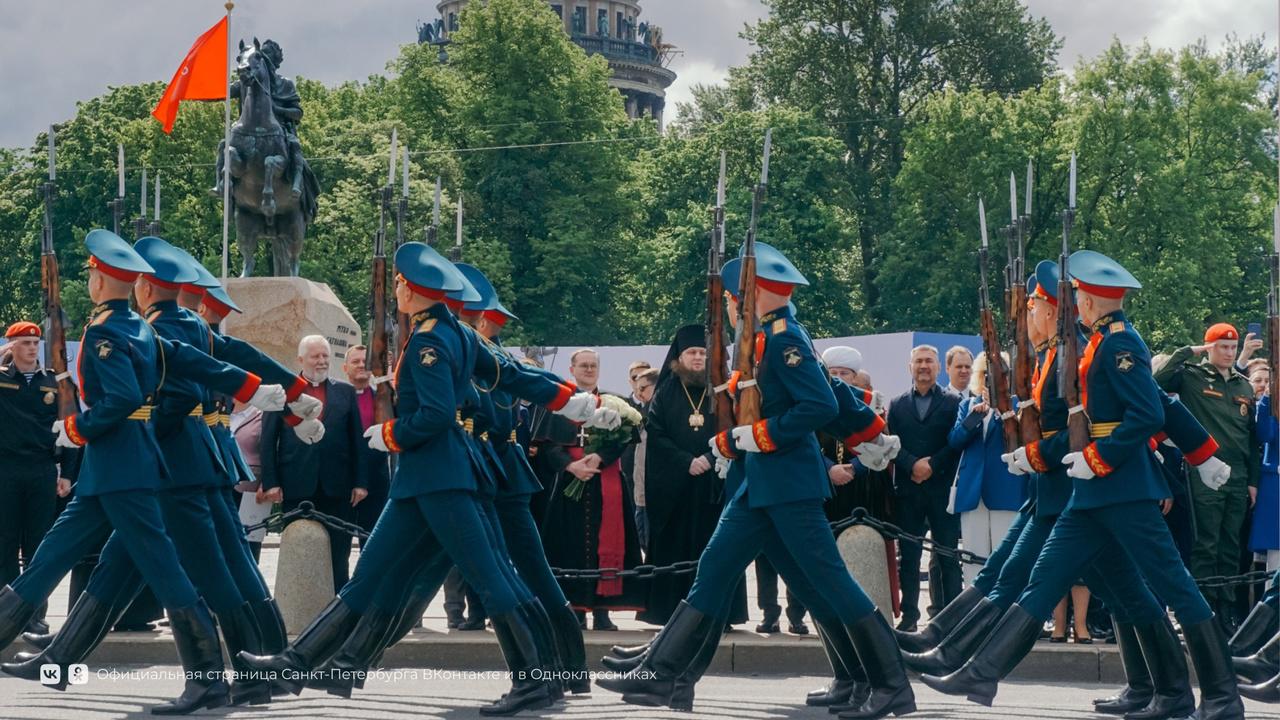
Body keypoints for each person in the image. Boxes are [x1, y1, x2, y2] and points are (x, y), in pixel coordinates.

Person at [238, 242, 610, 715]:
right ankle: (294, 667)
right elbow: (512, 374)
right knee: (370, 575)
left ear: (410, 291)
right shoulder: (456, 333)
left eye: (398, 282)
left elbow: (434, 416)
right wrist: (570, 400)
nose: (395, 289)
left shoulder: (431, 341)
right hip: (430, 476)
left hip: (438, 474)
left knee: (491, 577)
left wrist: (389, 434)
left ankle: (536, 681)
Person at [596, 242, 914, 719]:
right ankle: (663, 673)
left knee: (827, 580)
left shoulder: (785, 339)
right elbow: (825, 395)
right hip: (761, 484)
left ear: (758, 292)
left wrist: (756, 436)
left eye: (736, 292)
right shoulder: (768, 337)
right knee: (726, 571)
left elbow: (820, 406)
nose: (730, 300)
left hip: (785, 483)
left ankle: (890, 684)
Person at [923, 250, 1245, 720]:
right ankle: (983, 673)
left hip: (1125, 488)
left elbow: (1150, 411)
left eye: (1078, 295)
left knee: (1174, 586)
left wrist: (1102, 457)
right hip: (1091, 492)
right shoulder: (1097, 342)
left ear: (1091, 300)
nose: (1074, 302)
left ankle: (1220, 696)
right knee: (1043, 577)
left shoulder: (1120, 344)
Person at [0, 229, 293, 713]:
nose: (91, 278)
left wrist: (77, 428)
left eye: (93, 272)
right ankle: (57, 660)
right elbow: (195, 360)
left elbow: (123, 399)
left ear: (100, 282)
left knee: (168, 574)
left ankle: (206, 681)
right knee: (52, 557)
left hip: (125, 467)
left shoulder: (110, 332)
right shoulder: (140, 328)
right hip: (116, 469)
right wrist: (253, 387)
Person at [638, 325, 747, 629]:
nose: (698, 358)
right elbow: (656, 434)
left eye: (702, 352)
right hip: (676, 486)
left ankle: (718, 615)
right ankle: (671, 613)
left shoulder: (723, 389)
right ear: (679, 357)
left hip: (716, 483)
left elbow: (735, 428)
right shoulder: (665, 392)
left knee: (717, 545)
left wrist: (711, 458)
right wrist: (687, 461)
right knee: (676, 544)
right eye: (692, 353)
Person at [1155, 322, 1261, 632]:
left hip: (1238, 474)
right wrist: (1186, 353)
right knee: (1206, 542)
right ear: (1209, 348)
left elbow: (1251, 439)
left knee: (1230, 544)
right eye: (1222, 347)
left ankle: (1225, 609)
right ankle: (1202, 612)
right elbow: (1156, 382)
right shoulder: (1192, 376)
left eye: (1232, 347)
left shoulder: (1244, 386)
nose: (1229, 353)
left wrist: (1252, 480)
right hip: (1203, 469)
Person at [532, 348, 645, 630]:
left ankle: (603, 611)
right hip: (569, 485)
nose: (589, 369)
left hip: (605, 481)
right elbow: (547, 447)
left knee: (604, 543)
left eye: (593, 365)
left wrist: (600, 457)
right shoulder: (559, 403)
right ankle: (577, 609)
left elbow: (623, 439)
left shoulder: (613, 402)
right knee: (568, 545)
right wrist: (572, 466)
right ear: (572, 370)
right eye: (583, 365)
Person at [260, 335, 369, 590]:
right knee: (299, 550)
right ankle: (299, 603)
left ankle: (336, 609)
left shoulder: (345, 392)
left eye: (325, 356)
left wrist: (360, 482)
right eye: (315, 356)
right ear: (300, 359)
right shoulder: (281, 392)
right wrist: (271, 482)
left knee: (339, 553)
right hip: (296, 483)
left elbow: (357, 441)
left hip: (337, 486)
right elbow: (268, 440)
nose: (321, 362)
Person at [0, 322, 75, 635]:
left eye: (35, 342)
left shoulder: (54, 382)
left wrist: (68, 473)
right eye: (26, 342)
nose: (32, 348)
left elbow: (71, 426)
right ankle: (5, 612)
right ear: (12, 345)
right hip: (5, 469)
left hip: (42, 469)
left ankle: (33, 614)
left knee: (38, 545)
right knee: (4, 544)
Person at [886, 345, 963, 631]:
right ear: (910, 367)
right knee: (909, 557)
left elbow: (956, 444)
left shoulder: (953, 403)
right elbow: (891, 443)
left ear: (938, 367)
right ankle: (909, 617)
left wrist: (932, 465)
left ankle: (951, 618)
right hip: (909, 491)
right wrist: (911, 465)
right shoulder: (897, 404)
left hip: (942, 490)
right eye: (918, 361)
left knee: (947, 556)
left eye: (929, 361)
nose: (923, 366)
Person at [946, 351, 1027, 587]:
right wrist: (973, 419)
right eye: (985, 374)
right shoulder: (968, 405)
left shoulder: (1018, 405)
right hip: (973, 493)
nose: (991, 379)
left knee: (1006, 556)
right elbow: (955, 441)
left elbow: (1023, 439)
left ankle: (1004, 613)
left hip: (1006, 491)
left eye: (1000, 374)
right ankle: (973, 611)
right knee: (973, 559)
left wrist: (1003, 413)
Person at [342, 345, 391, 541]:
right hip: (343, 479)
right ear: (345, 368)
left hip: (376, 479)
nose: (361, 365)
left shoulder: (384, 398)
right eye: (356, 362)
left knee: (372, 540)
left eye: (365, 361)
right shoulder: (337, 396)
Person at [630, 367, 659, 551]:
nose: (638, 393)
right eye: (636, 388)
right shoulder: (642, 414)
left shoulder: (659, 415)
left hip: (652, 495)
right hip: (639, 494)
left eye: (643, 388)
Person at [1255, 391, 1280, 573]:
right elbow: (1265, 435)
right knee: (1276, 562)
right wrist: (1269, 398)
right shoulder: (1272, 401)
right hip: (1276, 484)